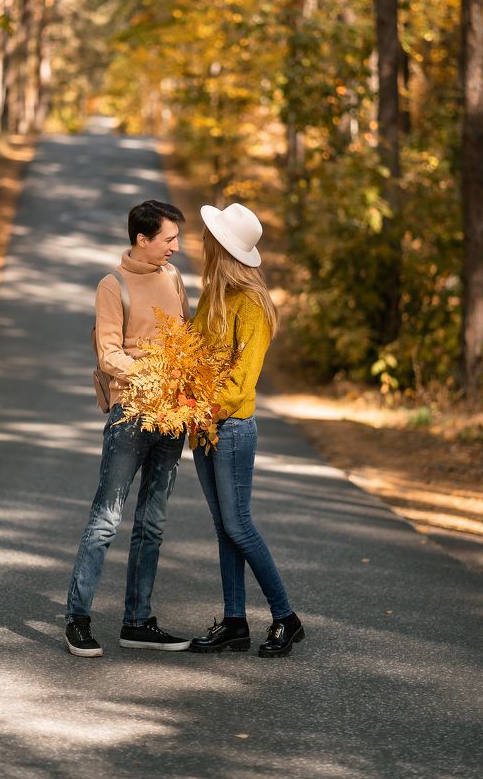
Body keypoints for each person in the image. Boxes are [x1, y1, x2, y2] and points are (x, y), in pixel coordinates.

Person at [65, 199, 191, 657]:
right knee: (105, 520)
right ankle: (77, 619)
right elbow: (109, 355)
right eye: (168, 238)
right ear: (142, 239)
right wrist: (154, 369)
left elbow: (184, 342)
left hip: (171, 416)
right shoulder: (111, 285)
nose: (176, 247)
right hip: (131, 416)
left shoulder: (175, 280)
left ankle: (137, 621)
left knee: (152, 524)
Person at [189, 202, 305, 658]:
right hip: (203, 428)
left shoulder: (253, 305)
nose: (201, 242)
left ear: (222, 247)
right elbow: (193, 358)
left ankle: (286, 617)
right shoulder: (211, 296)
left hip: (232, 427)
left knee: (239, 525)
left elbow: (241, 383)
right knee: (224, 528)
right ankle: (235, 622)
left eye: (208, 237)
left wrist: (205, 410)